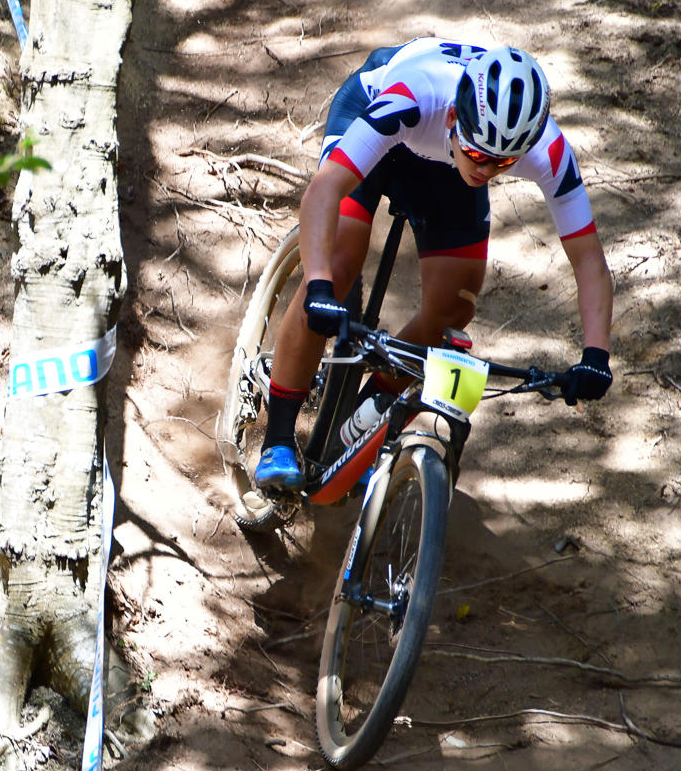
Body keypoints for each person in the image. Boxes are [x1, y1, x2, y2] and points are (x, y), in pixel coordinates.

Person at [254, 37, 615, 492]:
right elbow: (323, 192)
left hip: (446, 167)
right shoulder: (416, 97)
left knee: (452, 309)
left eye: (503, 164)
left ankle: (362, 425)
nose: (487, 172)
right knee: (339, 262)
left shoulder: (543, 147)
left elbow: (589, 260)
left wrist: (596, 355)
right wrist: (320, 287)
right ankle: (279, 439)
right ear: (454, 119)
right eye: (481, 156)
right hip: (379, 116)